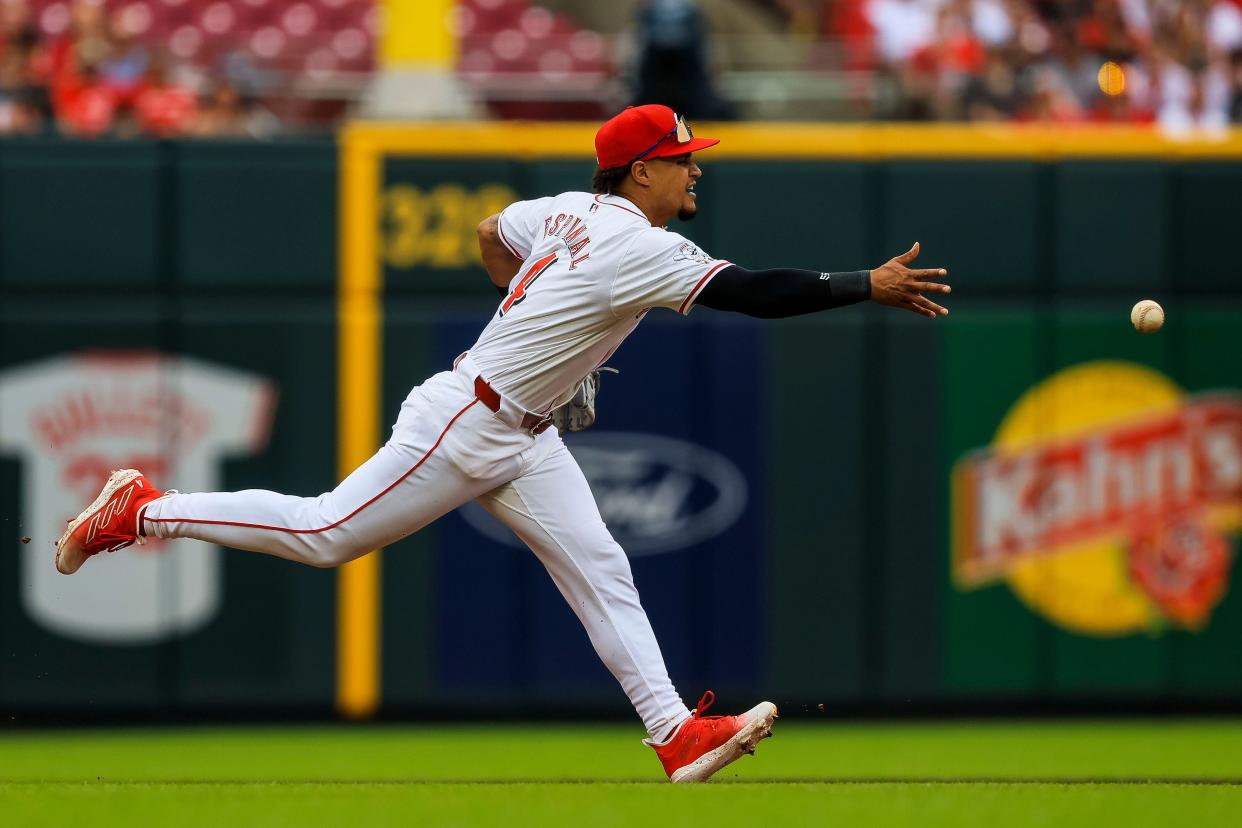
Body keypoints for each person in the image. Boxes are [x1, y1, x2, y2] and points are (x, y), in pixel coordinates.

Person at [55, 104, 951, 783]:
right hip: (467, 417)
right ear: (641, 173)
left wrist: (537, 323)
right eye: (682, 163)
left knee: (602, 568)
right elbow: (753, 293)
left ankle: (674, 731)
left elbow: (493, 233)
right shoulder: (638, 249)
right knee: (326, 532)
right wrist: (861, 283)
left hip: (525, 431)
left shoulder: (564, 209)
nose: (694, 178)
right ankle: (144, 510)